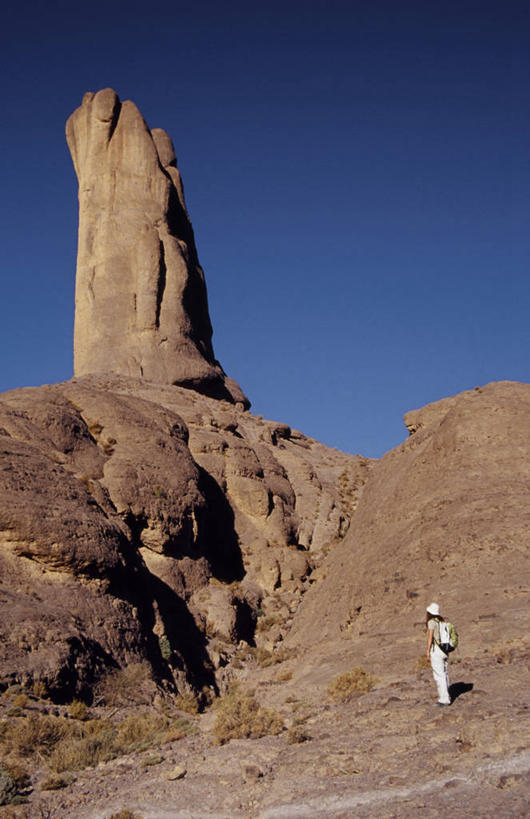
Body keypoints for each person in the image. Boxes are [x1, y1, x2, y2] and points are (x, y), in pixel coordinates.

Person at [426, 602, 451, 706]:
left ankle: (444, 699)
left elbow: (430, 637)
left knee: (439, 675)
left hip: (436, 650)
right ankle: (447, 695)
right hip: (445, 650)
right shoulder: (441, 621)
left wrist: (427, 651)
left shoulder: (432, 622)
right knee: (444, 674)